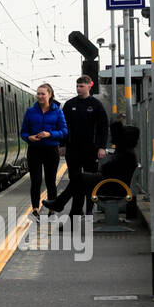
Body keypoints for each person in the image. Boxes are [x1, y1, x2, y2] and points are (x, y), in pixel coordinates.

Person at [45, 75, 110, 218]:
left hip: (91, 149)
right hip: (73, 149)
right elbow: (62, 126)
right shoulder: (69, 105)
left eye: (81, 86)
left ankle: (89, 209)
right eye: (77, 86)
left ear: (89, 86)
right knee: (75, 179)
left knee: (89, 179)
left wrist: (101, 147)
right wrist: (62, 145)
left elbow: (103, 127)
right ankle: (77, 210)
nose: (79, 89)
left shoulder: (96, 105)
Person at [20, 83, 67, 217]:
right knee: (35, 180)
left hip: (51, 150)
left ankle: (52, 208)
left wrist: (50, 134)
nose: (40, 96)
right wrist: (29, 137)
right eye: (38, 94)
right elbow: (23, 132)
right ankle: (35, 208)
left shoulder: (57, 111)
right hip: (34, 150)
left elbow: (64, 131)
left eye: (42, 94)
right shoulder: (30, 111)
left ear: (50, 95)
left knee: (50, 180)